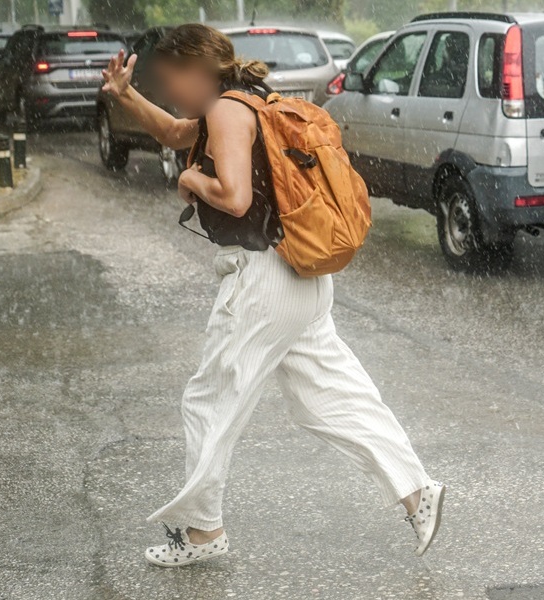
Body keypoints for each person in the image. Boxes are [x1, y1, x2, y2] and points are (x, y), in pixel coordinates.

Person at [100, 23, 444, 568]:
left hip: (262, 279)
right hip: (300, 276)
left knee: (208, 400)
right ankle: (415, 490)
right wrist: (126, 95)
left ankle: (204, 533)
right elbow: (172, 132)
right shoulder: (252, 101)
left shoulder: (226, 112)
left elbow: (233, 199)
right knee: (329, 394)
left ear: (196, 69)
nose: (170, 93)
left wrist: (191, 184)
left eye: (170, 81)